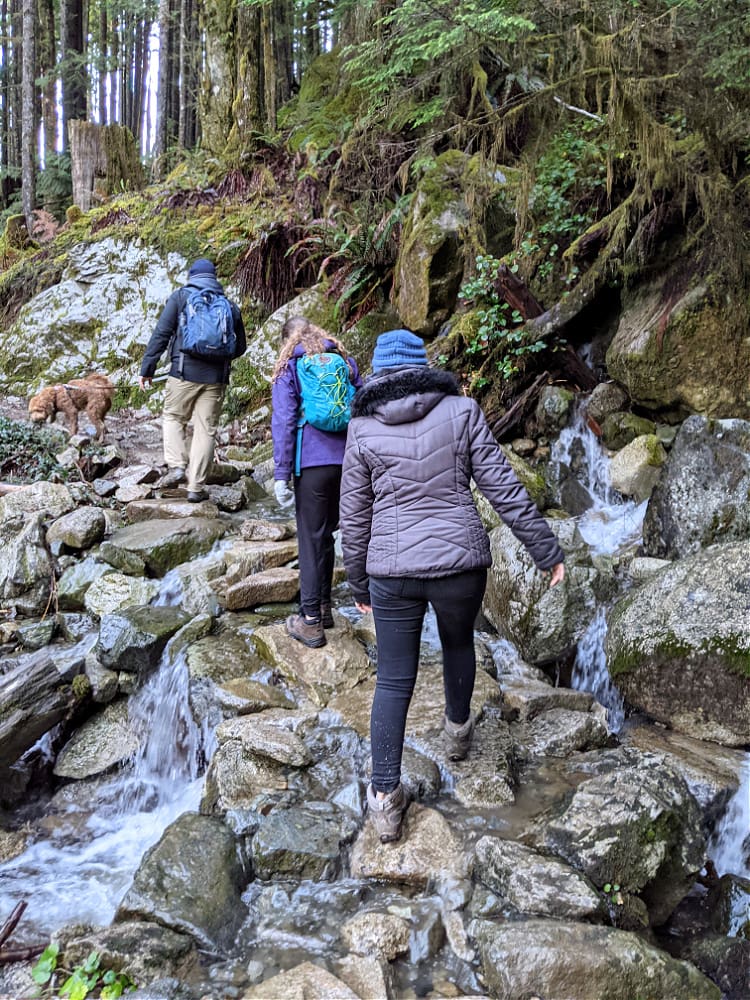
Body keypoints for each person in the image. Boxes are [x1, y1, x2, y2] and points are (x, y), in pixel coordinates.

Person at [339, 329, 565, 843]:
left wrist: (358, 583)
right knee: (459, 644)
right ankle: (458, 732)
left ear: (377, 373)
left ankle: (384, 799)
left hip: (391, 572)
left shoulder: (362, 428)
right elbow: (502, 487)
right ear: (424, 367)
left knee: (393, 679)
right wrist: (545, 550)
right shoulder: (461, 411)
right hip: (459, 564)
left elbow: (353, 515)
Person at [271, 316, 362, 649]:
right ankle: (324, 607)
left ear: (287, 340)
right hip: (348, 460)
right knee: (328, 534)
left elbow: (284, 420)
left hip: (311, 462)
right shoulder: (342, 359)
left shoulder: (289, 366)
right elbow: (362, 404)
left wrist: (281, 473)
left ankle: (310, 620)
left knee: (311, 538)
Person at [139, 258, 247, 502]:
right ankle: (196, 488)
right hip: (216, 379)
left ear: (192, 276)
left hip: (183, 373)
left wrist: (148, 368)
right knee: (206, 430)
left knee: (173, 417)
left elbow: (161, 334)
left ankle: (177, 465)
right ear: (214, 278)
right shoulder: (229, 306)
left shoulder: (180, 297)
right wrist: (216, 357)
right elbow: (240, 347)